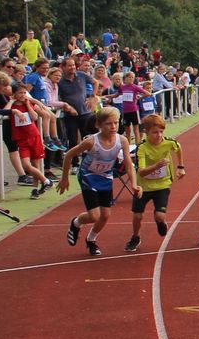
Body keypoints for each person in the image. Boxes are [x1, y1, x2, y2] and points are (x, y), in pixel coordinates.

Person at [57, 107, 140, 256]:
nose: (113, 126)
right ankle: (76, 223)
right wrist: (64, 178)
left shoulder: (122, 140)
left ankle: (91, 240)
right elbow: (69, 155)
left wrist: (134, 184)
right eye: (109, 123)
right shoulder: (91, 142)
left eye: (116, 123)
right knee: (94, 216)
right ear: (98, 125)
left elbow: (129, 164)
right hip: (88, 177)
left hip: (105, 177)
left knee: (105, 215)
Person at [124, 114, 184, 252]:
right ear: (146, 132)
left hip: (162, 184)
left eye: (161, 131)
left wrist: (181, 167)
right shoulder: (142, 148)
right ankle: (135, 236)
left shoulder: (169, 142)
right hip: (143, 186)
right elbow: (141, 172)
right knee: (137, 215)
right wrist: (157, 166)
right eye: (155, 132)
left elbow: (178, 147)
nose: (159, 135)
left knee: (160, 215)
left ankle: (160, 222)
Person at [5, 82, 54, 199]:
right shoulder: (12, 106)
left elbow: (35, 117)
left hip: (34, 137)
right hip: (21, 140)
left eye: (24, 93)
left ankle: (35, 189)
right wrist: (11, 101)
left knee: (35, 164)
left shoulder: (28, 103)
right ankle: (46, 181)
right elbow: (6, 110)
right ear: (14, 94)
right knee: (26, 165)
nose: (23, 95)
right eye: (20, 93)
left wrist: (28, 104)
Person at [111, 71, 151, 146]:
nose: (131, 79)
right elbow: (116, 95)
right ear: (125, 78)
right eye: (129, 77)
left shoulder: (135, 87)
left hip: (134, 110)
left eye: (132, 77)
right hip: (125, 111)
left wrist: (139, 97)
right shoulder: (122, 87)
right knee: (127, 130)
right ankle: (128, 146)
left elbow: (148, 93)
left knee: (136, 129)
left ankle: (137, 146)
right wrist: (107, 96)